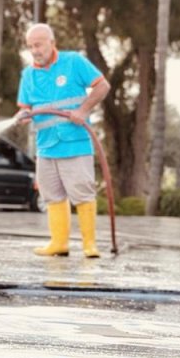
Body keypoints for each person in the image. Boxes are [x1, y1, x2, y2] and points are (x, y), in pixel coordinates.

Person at [16, 24, 110, 258]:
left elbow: (103, 86)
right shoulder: (28, 75)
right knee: (52, 196)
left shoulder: (73, 62)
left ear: (51, 42)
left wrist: (83, 110)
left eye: (38, 45)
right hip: (46, 147)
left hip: (75, 143)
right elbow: (25, 107)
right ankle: (59, 243)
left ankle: (90, 245)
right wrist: (21, 116)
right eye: (30, 47)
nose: (34, 51)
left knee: (82, 193)